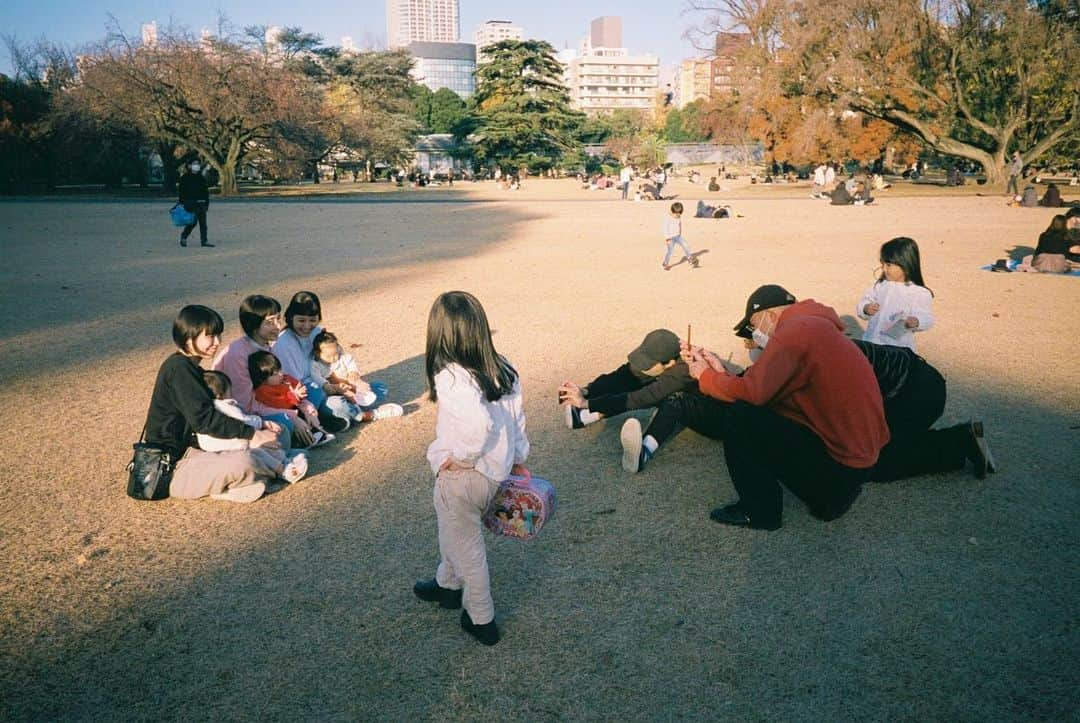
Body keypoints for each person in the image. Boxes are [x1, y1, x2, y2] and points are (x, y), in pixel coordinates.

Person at [686, 285, 890, 530]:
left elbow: (753, 395)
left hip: (839, 465)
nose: (753, 333)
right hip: (857, 461)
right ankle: (830, 498)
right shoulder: (815, 326)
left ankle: (759, 511)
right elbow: (768, 389)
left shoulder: (793, 333)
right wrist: (719, 373)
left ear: (770, 316)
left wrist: (705, 377)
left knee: (741, 415)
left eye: (753, 324)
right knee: (754, 412)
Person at [413, 291, 529, 647]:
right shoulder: (502, 365)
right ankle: (447, 584)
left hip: (463, 477)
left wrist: (461, 457)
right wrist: (520, 457)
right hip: (494, 474)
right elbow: (516, 419)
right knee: (453, 531)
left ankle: (482, 619)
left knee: (468, 547)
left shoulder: (451, 375)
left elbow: (478, 425)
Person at [142, 305, 286, 503]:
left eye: (218, 335)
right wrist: (252, 433)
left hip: (203, 449)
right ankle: (229, 484)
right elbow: (205, 420)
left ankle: (240, 482)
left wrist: (259, 425)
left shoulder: (193, 368)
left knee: (279, 435)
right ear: (188, 336)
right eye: (210, 336)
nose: (217, 342)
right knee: (245, 461)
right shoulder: (178, 369)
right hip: (175, 462)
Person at [853, 341, 995, 481]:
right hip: (913, 380)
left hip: (918, 392)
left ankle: (961, 440)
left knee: (875, 463)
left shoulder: (835, 366)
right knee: (867, 450)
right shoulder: (837, 347)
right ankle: (960, 439)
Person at [557, 329, 697, 453]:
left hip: (709, 418)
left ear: (670, 363)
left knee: (673, 400)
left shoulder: (683, 371)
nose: (642, 365)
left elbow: (640, 398)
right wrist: (587, 391)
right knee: (634, 379)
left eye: (648, 362)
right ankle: (583, 417)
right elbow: (622, 377)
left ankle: (645, 451)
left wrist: (586, 403)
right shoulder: (668, 356)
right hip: (668, 386)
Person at [212, 295, 315, 448]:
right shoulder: (237, 354)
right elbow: (245, 406)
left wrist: (305, 406)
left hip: (270, 400)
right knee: (284, 427)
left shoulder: (267, 345)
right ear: (253, 324)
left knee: (314, 394)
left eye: (278, 319)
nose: (278, 326)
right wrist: (291, 415)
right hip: (243, 416)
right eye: (269, 322)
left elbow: (283, 381)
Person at [197, 370, 310, 484]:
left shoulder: (204, 411)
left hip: (216, 450)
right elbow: (243, 420)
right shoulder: (226, 406)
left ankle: (286, 460)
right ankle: (285, 470)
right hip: (235, 445)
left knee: (262, 449)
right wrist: (260, 422)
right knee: (261, 451)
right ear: (221, 394)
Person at [271, 291, 351, 433]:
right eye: (301, 320)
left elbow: (337, 357)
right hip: (305, 394)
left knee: (376, 389)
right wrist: (329, 388)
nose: (307, 326)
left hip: (327, 381)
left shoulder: (319, 332)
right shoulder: (283, 343)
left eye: (313, 320)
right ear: (290, 318)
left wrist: (348, 379)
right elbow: (293, 384)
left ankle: (337, 415)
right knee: (339, 405)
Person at [857, 237, 935, 350]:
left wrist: (917, 321)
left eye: (888, 265)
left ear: (905, 264)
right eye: (882, 264)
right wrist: (865, 308)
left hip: (897, 350)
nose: (884, 269)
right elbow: (864, 301)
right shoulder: (880, 285)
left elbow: (927, 318)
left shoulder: (919, 292)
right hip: (871, 344)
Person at [310, 330, 403, 423]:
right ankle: (363, 413)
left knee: (380, 387)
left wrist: (354, 376)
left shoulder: (344, 358)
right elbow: (319, 380)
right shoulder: (316, 365)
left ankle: (361, 405)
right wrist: (338, 389)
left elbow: (353, 369)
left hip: (354, 389)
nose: (333, 359)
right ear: (318, 354)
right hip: (336, 395)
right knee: (339, 406)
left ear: (338, 348)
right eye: (329, 356)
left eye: (336, 354)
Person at [249, 351, 335, 446]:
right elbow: (278, 404)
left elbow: (298, 385)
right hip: (283, 413)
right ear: (262, 378)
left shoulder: (284, 379)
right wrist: (295, 395)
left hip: (296, 406)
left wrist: (301, 391)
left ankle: (316, 426)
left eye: (280, 370)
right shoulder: (263, 390)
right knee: (287, 419)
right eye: (275, 374)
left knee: (314, 390)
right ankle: (304, 439)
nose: (280, 374)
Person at [178, 161, 213, 248]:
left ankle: (204, 241)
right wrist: (183, 202)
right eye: (194, 164)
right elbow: (181, 191)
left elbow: (205, 191)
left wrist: (206, 202)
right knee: (192, 222)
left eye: (197, 164)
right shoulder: (185, 177)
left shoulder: (201, 177)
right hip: (191, 203)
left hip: (201, 203)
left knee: (203, 223)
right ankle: (184, 236)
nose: (196, 166)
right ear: (189, 166)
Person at [662, 202, 697, 270]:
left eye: (679, 213)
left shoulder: (679, 216)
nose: (677, 215)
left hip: (678, 236)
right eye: (676, 213)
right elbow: (665, 228)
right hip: (670, 238)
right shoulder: (668, 217)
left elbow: (679, 224)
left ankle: (690, 259)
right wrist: (667, 238)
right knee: (670, 251)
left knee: (685, 245)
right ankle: (665, 263)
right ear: (673, 211)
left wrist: (680, 231)